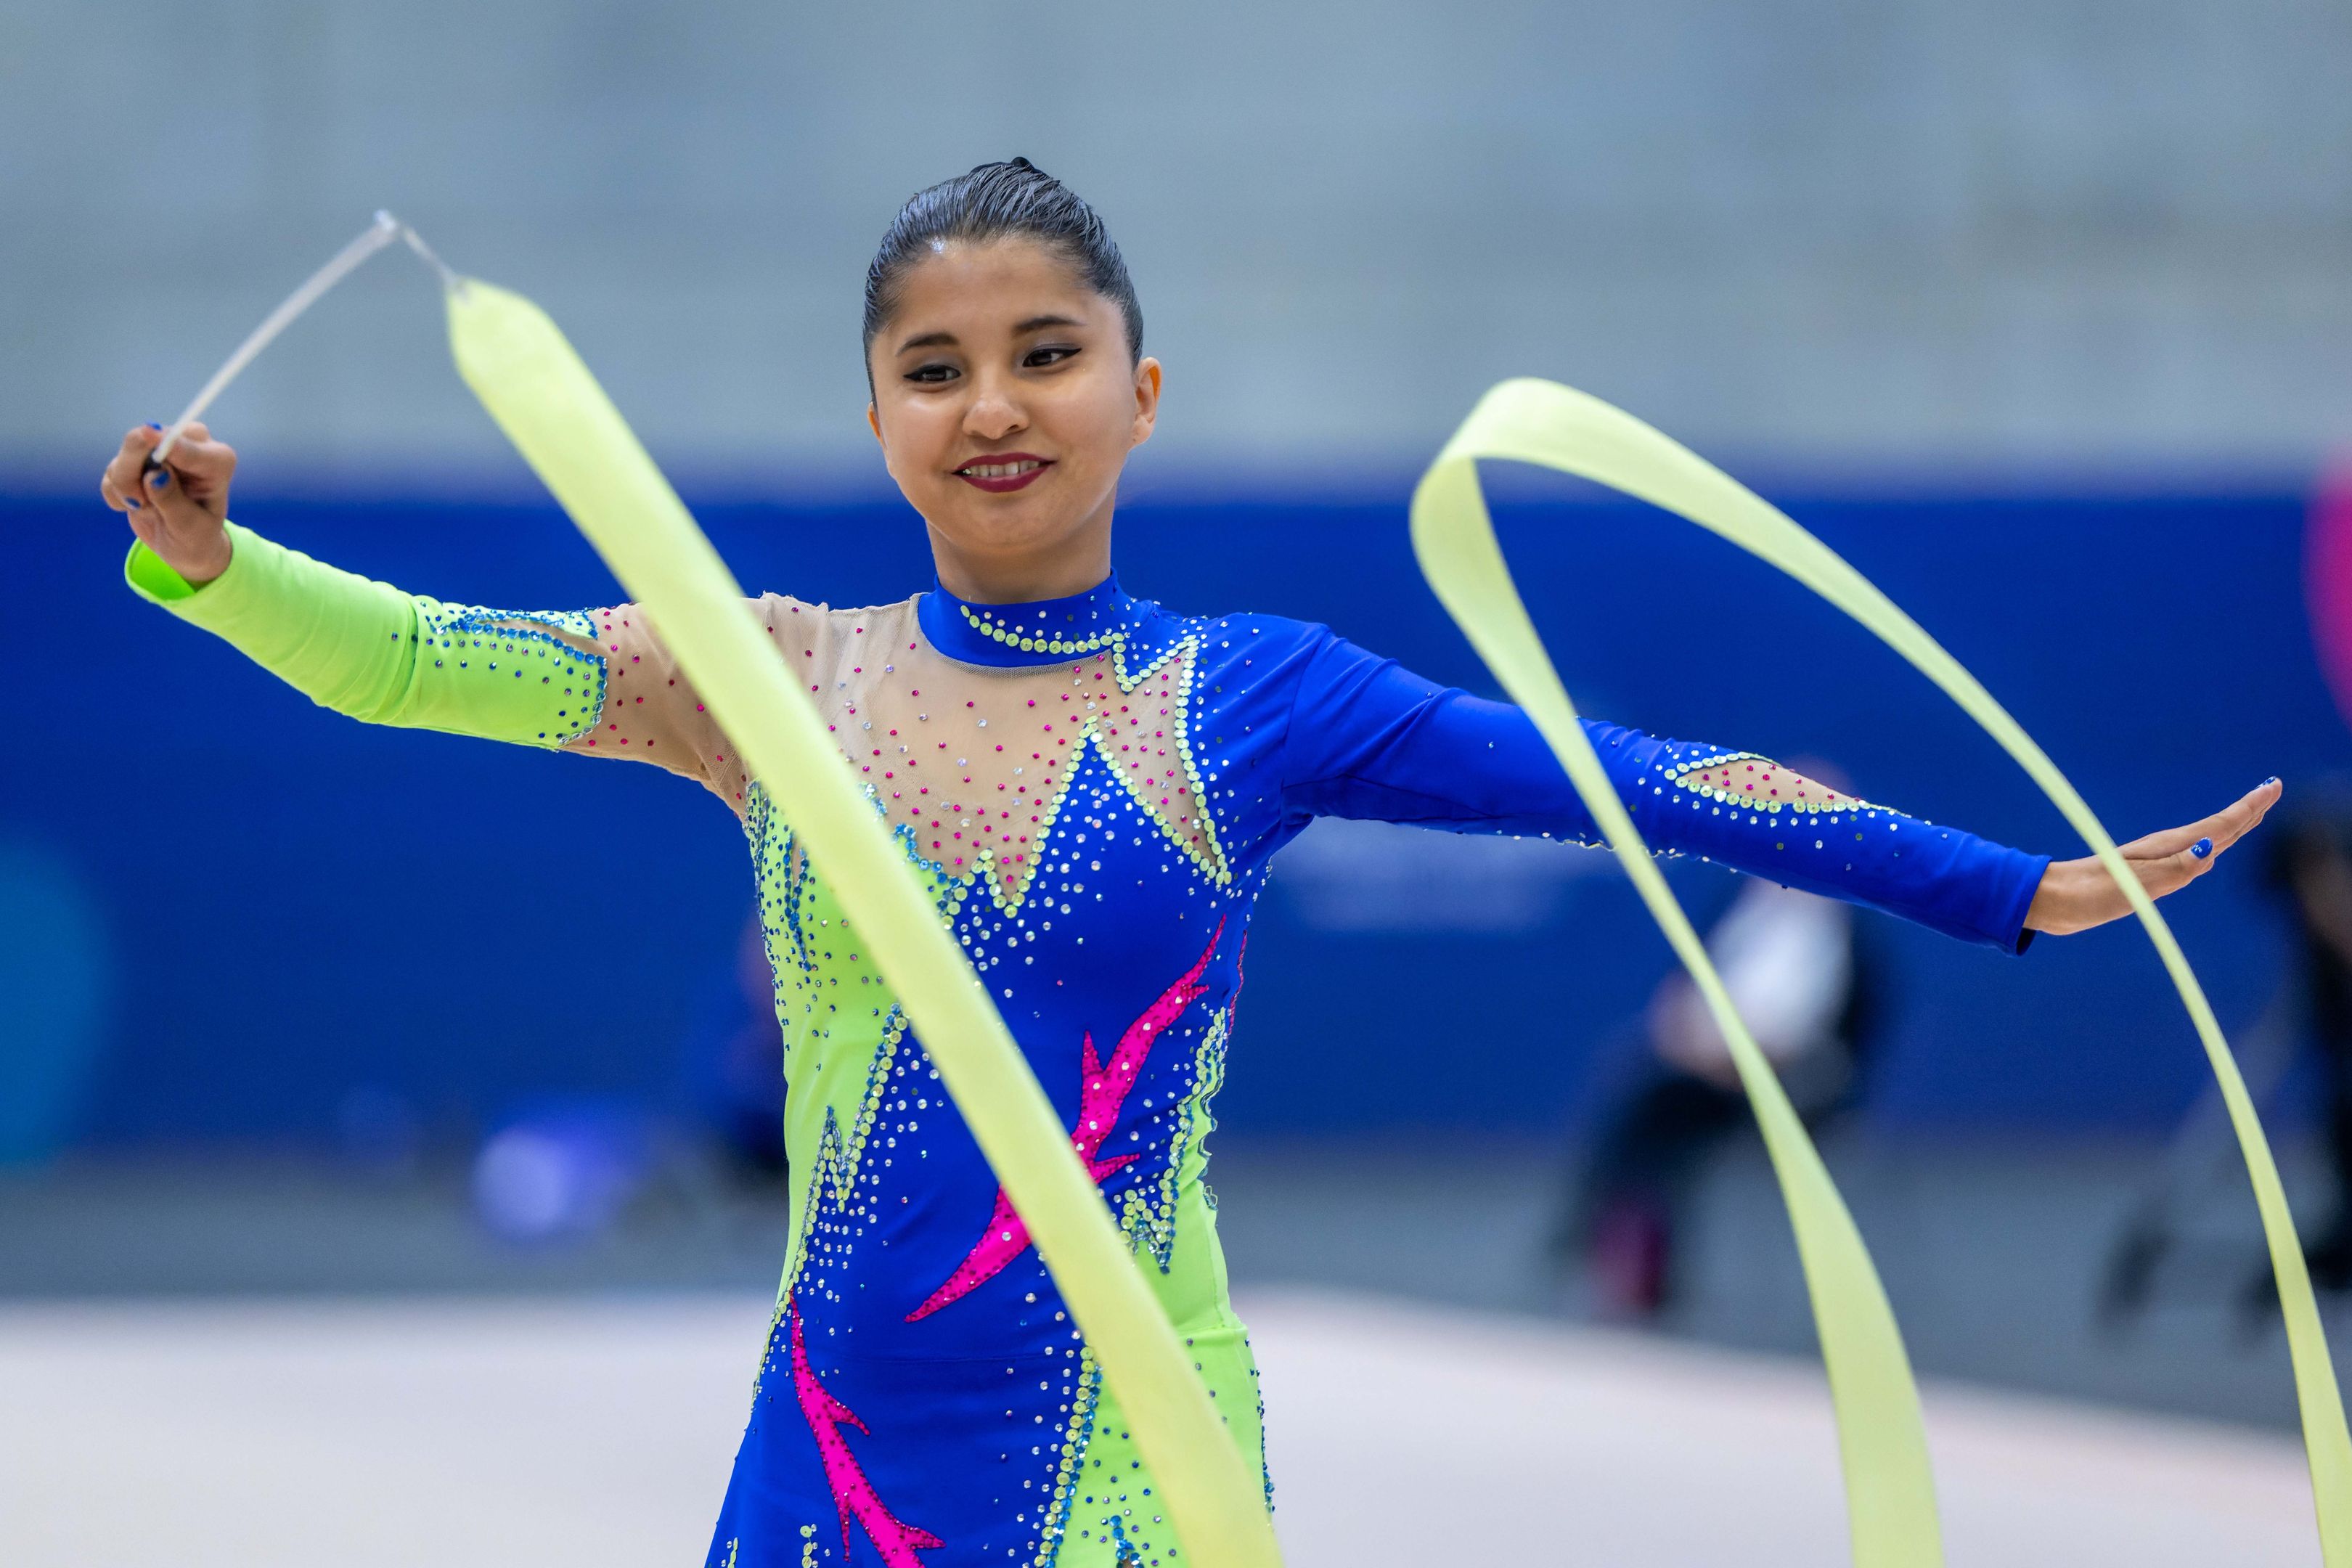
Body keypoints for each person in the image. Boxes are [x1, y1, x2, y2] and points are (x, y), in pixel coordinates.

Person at [101, 158, 2276, 1568]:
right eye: (933, 369)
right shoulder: (766, 678)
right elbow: (417, 662)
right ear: (877, 422)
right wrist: (215, 561)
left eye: (1043, 355)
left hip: (1125, 1451)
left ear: (1139, 393)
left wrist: (2001, 883)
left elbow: (1630, 778)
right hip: (832, 1444)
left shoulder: (1249, 699)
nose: (991, 404)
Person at [1567, 873, 1883, 1318]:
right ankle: (1622, 1250)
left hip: (1792, 1089)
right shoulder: (1737, 913)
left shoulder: (1846, 940)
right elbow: (1682, 990)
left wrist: (1747, 1058)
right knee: (1645, 1107)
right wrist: (1683, 1038)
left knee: (1669, 1113)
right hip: (1713, 1075)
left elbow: (1833, 1041)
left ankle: (1619, 1249)